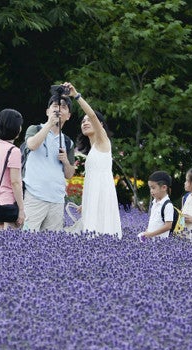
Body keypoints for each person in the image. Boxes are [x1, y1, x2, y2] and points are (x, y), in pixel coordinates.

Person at [62, 82, 121, 238]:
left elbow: (93, 115)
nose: (86, 122)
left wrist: (76, 96)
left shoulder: (103, 142)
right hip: (94, 198)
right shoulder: (93, 150)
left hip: (104, 197)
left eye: (89, 120)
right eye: (83, 121)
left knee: (101, 232)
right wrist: (87, 203)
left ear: (100, 125)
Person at [22, 93, 76, 232]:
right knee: (26, 240)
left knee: (52, 245)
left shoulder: (68, 142)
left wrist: (65, 161)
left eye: (63, 107)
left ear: (68, 115)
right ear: (47, 111)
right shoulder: (35, 129)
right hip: (34, 197)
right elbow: (32, 145)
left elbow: (69, 174)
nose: (58, 109)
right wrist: (50, 124)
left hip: (57, 200)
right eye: (55, 106)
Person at [0, 108, 25, 231]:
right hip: (9, 204)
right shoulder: (14, 151)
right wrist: (21, 209)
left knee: (0, 243)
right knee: (10, 244)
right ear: (16, 128)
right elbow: (15, 182)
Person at [139, 171, 174, 240]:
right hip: (151, 241)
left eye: (153, 188)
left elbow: (168, 226)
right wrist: (146, 232)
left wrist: (151, 234)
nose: (151, 191)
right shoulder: (154, 203)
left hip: (161, 243)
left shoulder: (168, 205)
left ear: (164, 188)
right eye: (150, 188)